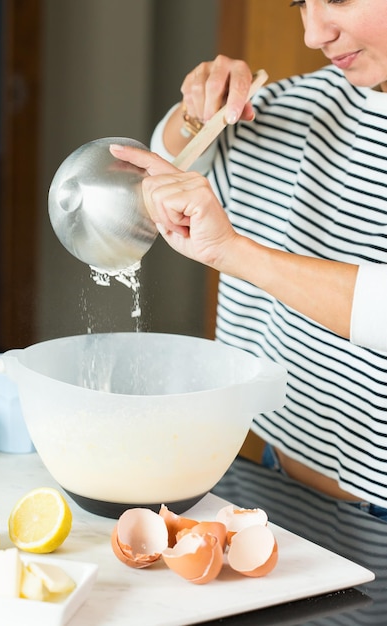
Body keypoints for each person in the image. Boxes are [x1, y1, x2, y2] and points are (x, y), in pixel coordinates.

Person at [110, 0, 387, 518]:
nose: (313, 34)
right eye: (301, 4)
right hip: (271, 478)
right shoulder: (303, 101)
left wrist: (233, 253)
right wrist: (196, 111)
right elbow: (168, 162)